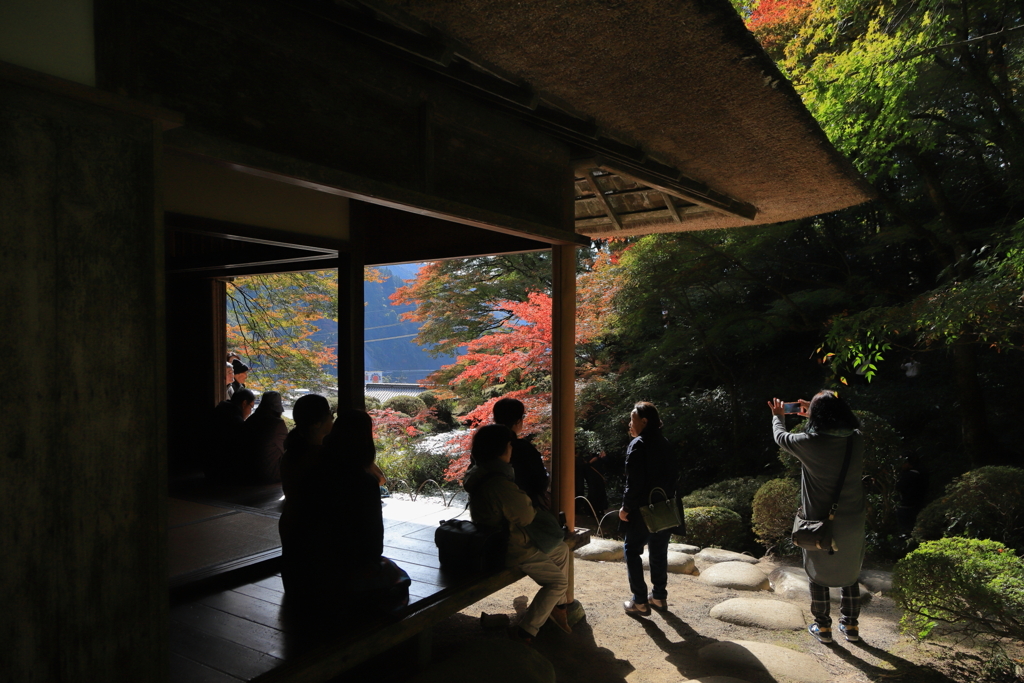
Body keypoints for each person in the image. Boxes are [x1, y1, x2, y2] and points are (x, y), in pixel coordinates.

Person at [279, 408, 410, 620]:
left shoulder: (312, 471)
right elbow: (373, 547)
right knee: (396, 576)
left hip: (302, 573)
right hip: (338, 579)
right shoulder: (363, 483)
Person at [769, 390, 865, 644]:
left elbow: (781, 437)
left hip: (818, 521)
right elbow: (844, 425)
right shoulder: (857, 440)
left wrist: (779, 416)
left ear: (818, 417)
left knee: (816, 572)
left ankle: (823, 628)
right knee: (850, 572)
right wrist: (815, 409)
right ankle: (851, 627)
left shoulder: (809, 442)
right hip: (853, 520)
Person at [464, 424, 573, 642]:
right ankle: (525, 631)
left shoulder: (480, 473)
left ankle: (555, 608)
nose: (512, 450)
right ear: (501, 450)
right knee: (558, 583)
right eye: (509, 446)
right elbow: (525, 516)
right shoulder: (499, 483)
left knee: (561, 550)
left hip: (497, 539)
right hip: (510, 546)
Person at [618, 401, 678, 616]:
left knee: (632, 550)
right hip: (664, 507)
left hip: (643, 508)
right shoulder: (665, 443)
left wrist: (625, 507)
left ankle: (640, 601)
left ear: (644, 421)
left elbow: (633, 482)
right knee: (659, 551)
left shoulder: (639, 444)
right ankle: (659, 597)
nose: (629, 424)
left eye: (632, 419)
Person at [492, 398, 550, 510]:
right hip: (522, 509)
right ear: (518, 421)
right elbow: (540, 482)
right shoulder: (523, 448)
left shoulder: (483, 445)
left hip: (487, 511)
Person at [203, 389, 255, 482]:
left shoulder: (219, 411)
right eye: (251, 407)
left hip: (208, 469)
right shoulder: (235, 420)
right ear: (244, 403)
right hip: (224, 472)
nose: (250, 411)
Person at [240, 391, 287, 483]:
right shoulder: (277, 423)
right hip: (269, 474)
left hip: (247, 472)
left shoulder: (251, 420)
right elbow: (286, 449)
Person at [895, 454, 928, 536]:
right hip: (916, 503)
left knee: (908, 526)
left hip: (909, 505)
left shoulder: (910, 475)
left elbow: (898, 487)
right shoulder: (919, 473)